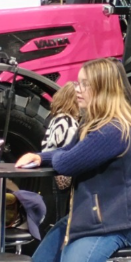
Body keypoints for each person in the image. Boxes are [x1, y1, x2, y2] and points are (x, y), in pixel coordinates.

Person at [14, 58, 131, 262]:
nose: (77, 89)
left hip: (109, 224)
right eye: (78, 83)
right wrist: (40, 157)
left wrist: (51, 157)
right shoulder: (94, 126)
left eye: (84, 84)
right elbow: (68, 151)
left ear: (102, 89)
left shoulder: (112, 130)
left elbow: (68, 162)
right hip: (87, 219)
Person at [41, 82, 81, 210]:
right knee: (64, 215)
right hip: (63, 177)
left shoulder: (56, 119)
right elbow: (68, 150)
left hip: (52, 172)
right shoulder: (67, 121)